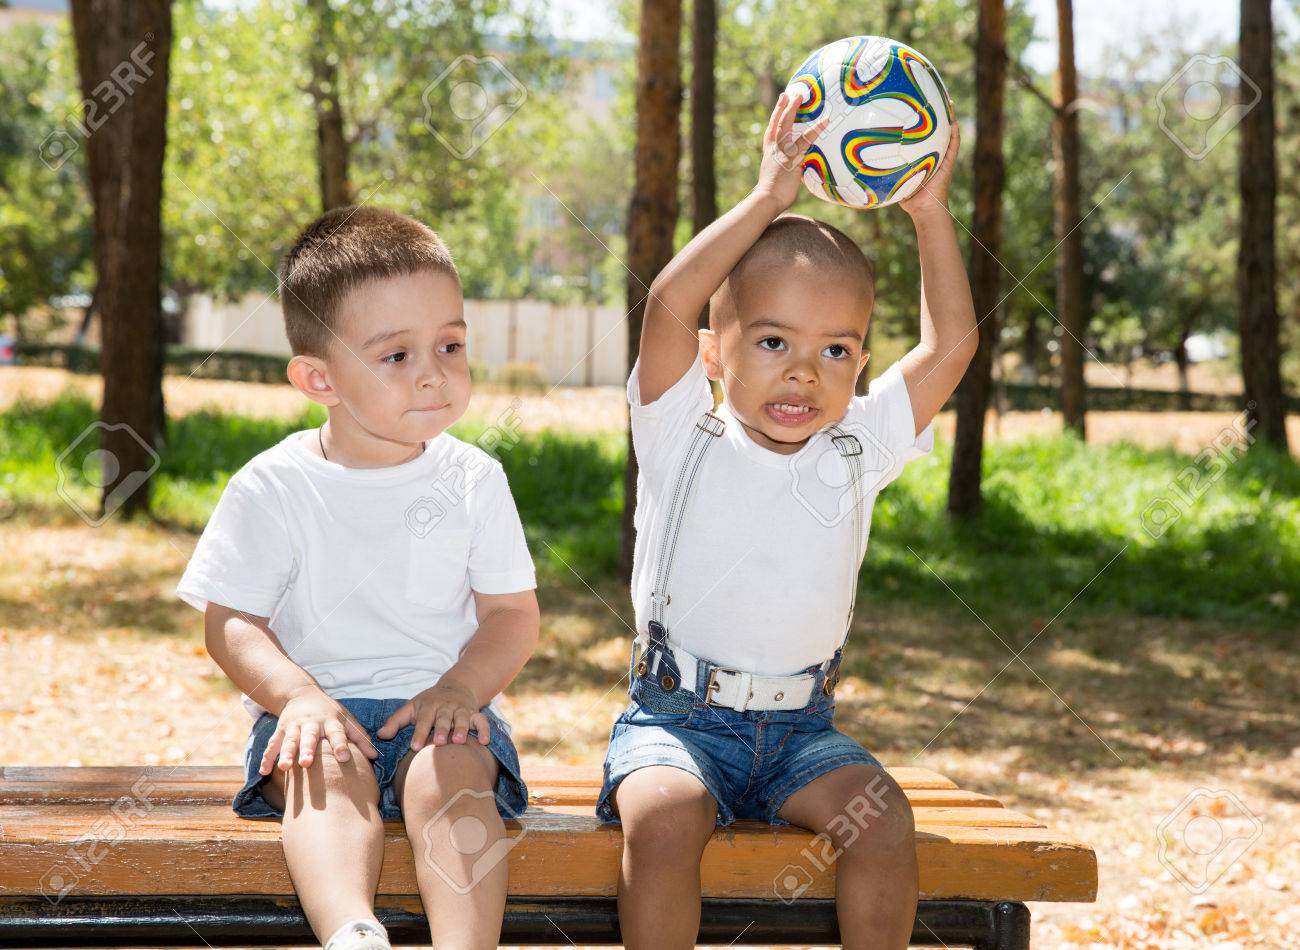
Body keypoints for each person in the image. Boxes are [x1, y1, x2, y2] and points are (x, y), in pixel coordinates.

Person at [594, 91, 976, 950]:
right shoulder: (680, 430)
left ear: (861, 364)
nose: (804, 373)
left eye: (835, 350)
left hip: (804, 732)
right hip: (676, 724)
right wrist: (768, 197)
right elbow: (667, 303)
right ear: (712, 351)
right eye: (773, 343)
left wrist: (929, 212)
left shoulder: (856, 447)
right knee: (663, 820)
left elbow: (951, 345)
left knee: (884, 822)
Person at [175, 206, 539, 950]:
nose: (434, 372)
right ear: (319, 378)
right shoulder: (273, 485)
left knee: (449, 774)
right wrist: (296, 697)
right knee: (324, 770)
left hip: (441, 710)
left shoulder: (474, 479)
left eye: (450, 345)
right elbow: (232, 622)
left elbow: (511, 615)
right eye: (396, 355)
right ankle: (351, 930)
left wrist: (461, 689)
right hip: (318, 712)